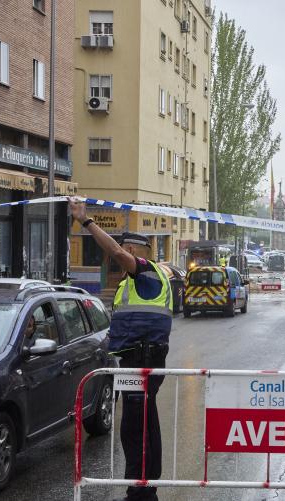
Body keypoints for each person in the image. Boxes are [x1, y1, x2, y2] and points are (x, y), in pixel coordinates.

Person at [70, 198, 172, 501]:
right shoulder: (140, 281)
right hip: (139, 356)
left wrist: (84, 221)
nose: (122, 252)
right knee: (144, 424)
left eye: (127, 248)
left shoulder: (146, 273)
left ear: (136, 252)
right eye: (123, 248)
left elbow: (112, 250)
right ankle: (145, 487)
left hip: (143, 357)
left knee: (133, 427)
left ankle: (140, 491)